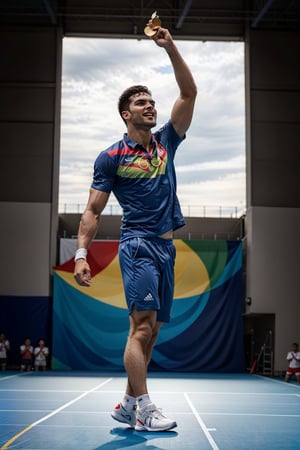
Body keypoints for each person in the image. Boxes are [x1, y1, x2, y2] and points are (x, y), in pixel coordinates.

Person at [74, 18, 197, 432]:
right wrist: (80, 255)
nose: (151, 105)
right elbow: (92, 211)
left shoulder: (166, 143)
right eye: (142, 102)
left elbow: (188, 92)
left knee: (153, 330)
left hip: (166, 247)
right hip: (139, 244)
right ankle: (145, 406)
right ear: (127, 114)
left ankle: (127, 405)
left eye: (151, 101)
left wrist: (169, 46)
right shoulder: (111, 156)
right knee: (141, 327)